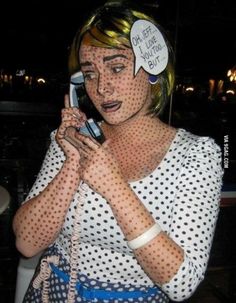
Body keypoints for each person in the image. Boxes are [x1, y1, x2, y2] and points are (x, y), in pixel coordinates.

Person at [13, 1, 224, 302]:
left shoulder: (196, 155)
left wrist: (115, 187)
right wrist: (73, 161)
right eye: (90, 73)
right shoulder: (70, 140)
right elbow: (27, 243)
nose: (101, 88)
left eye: (116, 67)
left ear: (152, 69)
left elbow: (182, 282)